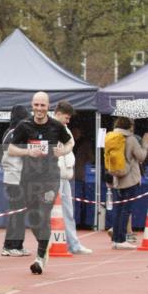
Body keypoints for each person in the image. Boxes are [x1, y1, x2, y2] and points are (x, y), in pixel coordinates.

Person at [7, 91, 73, 275]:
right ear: (32, 105)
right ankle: (44, 243)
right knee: (34, 219)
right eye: (36, 105)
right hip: (28, 178)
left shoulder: (56, 126)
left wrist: (63, 151)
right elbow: (11, 148)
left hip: (50, 178)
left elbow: (69, 143)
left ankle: (40, 259)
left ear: (48, 107)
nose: (39, 109)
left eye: (42, 105)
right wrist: (28, 151)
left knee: (43, 215)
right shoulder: (24, 126)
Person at [52, 101, 92, 254]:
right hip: (55, 176)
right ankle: (51, 244)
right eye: (67, 118)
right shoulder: (51, 128)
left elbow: (69, 147)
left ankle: (73, 244)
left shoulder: (64, 129)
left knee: (68, 212)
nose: (68, 121)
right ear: (59, 113)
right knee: (53, 212)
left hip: (64, 176)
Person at [108, 117, 148, 249]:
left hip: (117, 178)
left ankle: (115, 239)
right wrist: (145, 144)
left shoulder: (112, 137)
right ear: (129, 126)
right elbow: (141, 156)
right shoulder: (131, 139)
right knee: (126, 210)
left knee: (118, 210)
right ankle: (121, 239)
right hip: (130, 180)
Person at [0, 104, 30, 256]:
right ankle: (9, 246)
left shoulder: (16, 131)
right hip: (13, 178)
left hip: (19, 177)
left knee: (20, 213)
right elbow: (12, 150)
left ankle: (17, 245)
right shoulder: (12, 132)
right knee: (16, 213)